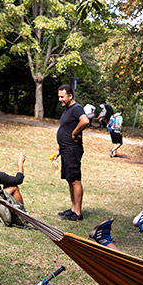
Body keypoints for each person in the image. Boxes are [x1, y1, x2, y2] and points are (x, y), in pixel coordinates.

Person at [55, 84, 89, 220]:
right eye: (59, 97)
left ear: (70, 96)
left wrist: (75, 133)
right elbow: (66, 127)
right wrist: (59, 148)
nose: (60, 100)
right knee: (70, 179)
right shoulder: (67, 109)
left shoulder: (76, 108)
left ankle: (78, 213)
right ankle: (73, 209)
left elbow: (85, 121)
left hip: (72, 150)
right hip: (65, 149)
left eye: (62, 97)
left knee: (75, 180)